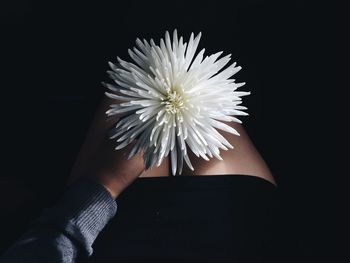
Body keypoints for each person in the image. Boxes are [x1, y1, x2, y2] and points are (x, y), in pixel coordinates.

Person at [0, 97, 278, 263]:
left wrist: (104, 184)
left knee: (143, 85)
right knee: (191, 87)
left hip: (117, 229)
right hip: (228, 243)